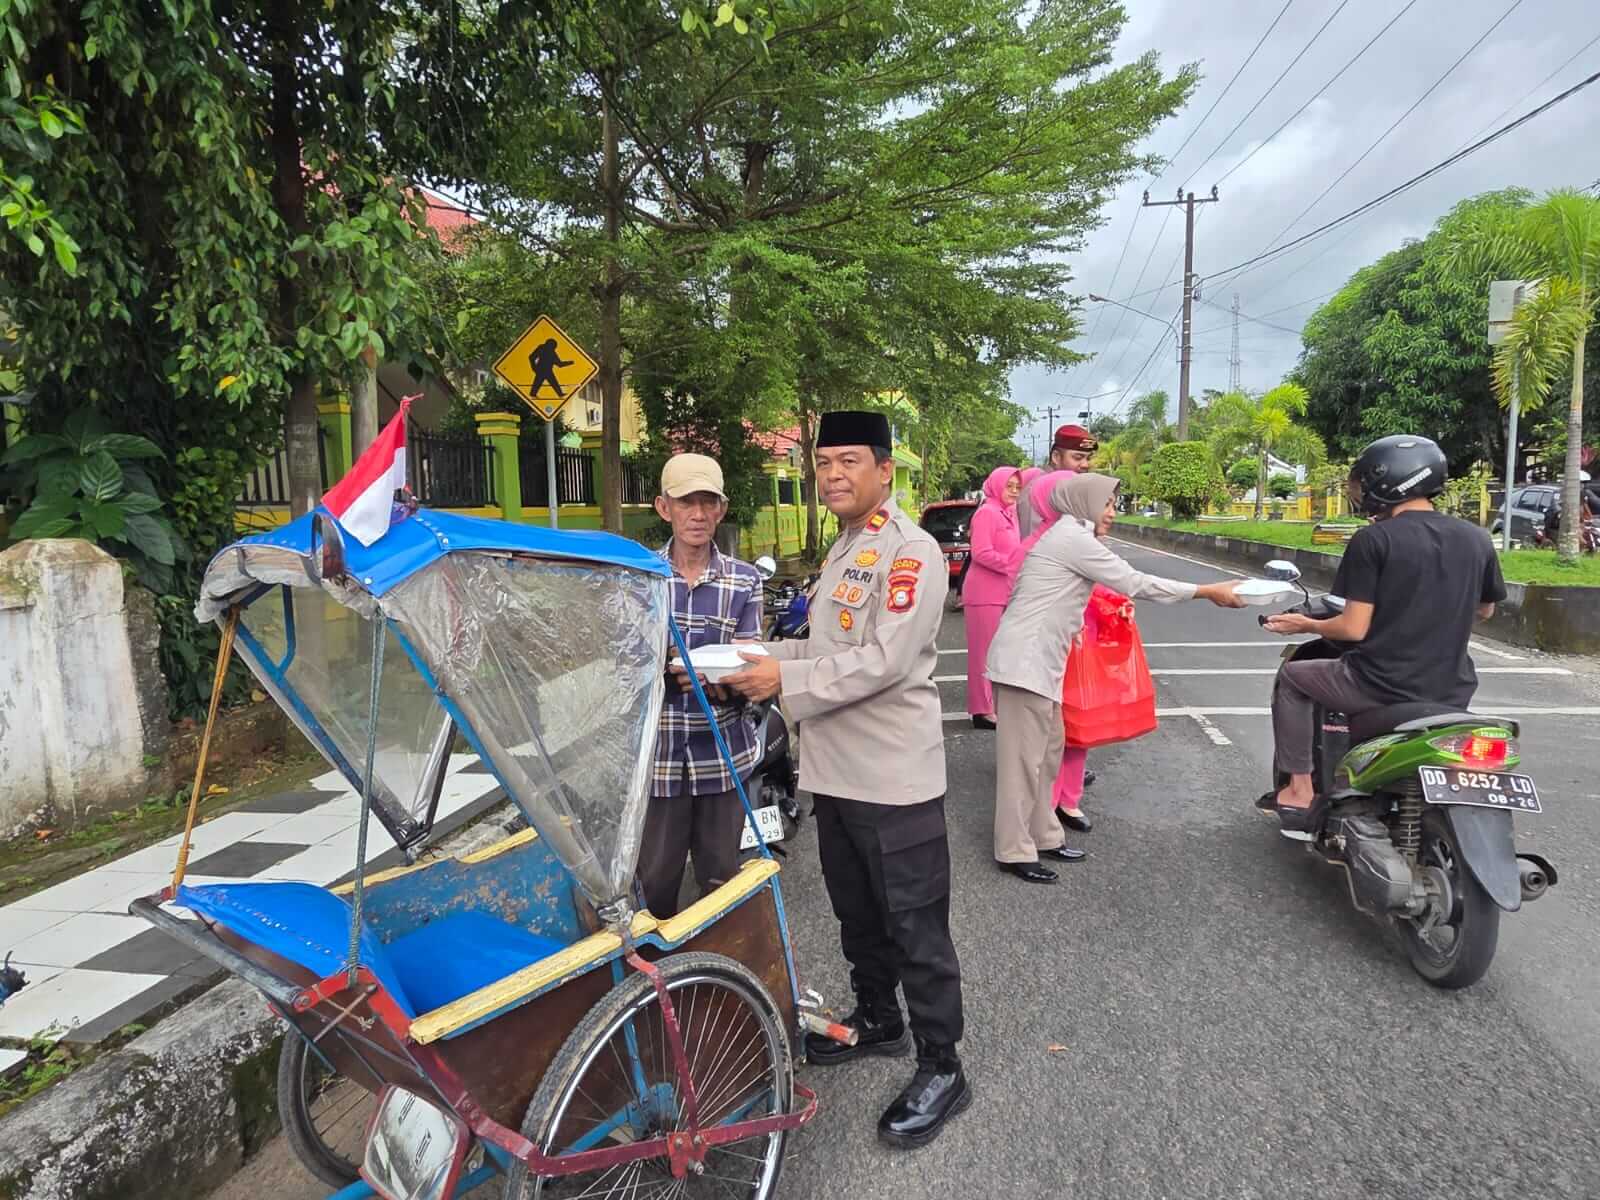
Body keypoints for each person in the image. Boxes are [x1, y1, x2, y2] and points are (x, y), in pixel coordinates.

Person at [722, 410, 969, 1149]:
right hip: (835, 775)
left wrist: (782, 682)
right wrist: (749, 657)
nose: (833, 475)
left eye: (849, 461)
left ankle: (943, 1065)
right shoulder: (847, 547)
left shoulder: (910, 552)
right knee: (857, 915)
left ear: (885, 470)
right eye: (824, 462)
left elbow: (885, 661)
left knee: (915, 927)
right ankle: (880, 1020)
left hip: (893, 779)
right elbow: (824, 649)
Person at [987, 474, 1243, 883]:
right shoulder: (1073, 538)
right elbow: (1134, 582)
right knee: (1023, 762)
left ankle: (1043, 834)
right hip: (1025, 663)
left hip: (1040, 663)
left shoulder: (1071, 536)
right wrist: (1207, 590)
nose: (1112, 513)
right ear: (1084, 503)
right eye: (1106, 504)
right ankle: (1013, 849)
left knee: (1048, 754)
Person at [1261, 435, 1507, 836]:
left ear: (1386, 480)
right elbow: (1485, 609)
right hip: (1451, 689)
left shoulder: (1374, 539)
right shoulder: (1476, 537)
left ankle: (1300, 790)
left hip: (1377, 684)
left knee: (1293, 678)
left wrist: (1306, 625)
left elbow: (1352, 627)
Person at [636, 453, 764, 919]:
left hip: (724, 755)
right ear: (663, 507)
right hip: (659, 759)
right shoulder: (640, 578)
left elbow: (751, 666)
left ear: (721, 510)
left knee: (721, 885)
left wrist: (717, 680)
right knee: (654, 885)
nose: (697, 514)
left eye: (708, 502)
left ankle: (716, 966)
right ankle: (657, 967)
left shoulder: (744, 581)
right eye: (685, 502)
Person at [963, 467, 1024, 729]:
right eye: (1009, 486)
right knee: (983, 654)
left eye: (1018, 487)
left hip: (1003, 591)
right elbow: (981, 553)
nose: (1014, 491)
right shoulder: (987, 513)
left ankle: (992, 705)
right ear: (997, 485)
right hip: (983, 593)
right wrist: (1012, 564)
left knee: (997, 653)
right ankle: (982, 710)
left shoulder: (1009, 512)